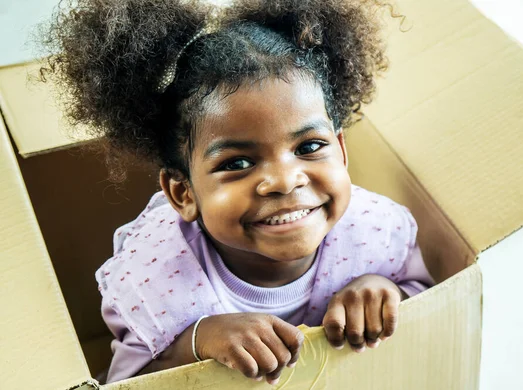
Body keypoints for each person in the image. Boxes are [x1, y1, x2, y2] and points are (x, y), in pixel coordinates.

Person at [41, 0, 434, 385]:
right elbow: (125, 382)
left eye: (309, 147)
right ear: (183, 194)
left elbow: (430, 293)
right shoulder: (154, 278)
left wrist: (384, 291)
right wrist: (196, 344)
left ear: (343, 151)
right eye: (237, 163)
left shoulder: (372, 230)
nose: (284, 181)